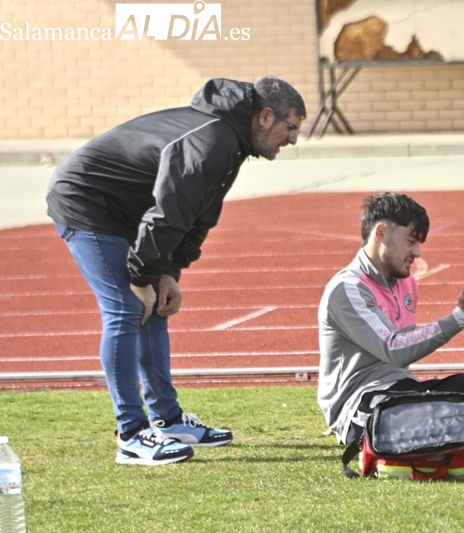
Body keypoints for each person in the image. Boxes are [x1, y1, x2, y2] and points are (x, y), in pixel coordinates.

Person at [46, 77, 306, 466]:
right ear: (266, 116)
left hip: (127, 212)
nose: (293, 140)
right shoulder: (213, 139)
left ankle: (168, 421)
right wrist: (139, 278)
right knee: (125, 308)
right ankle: (131, 435)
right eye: (291, 128)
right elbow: (169, 213)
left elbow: (199, 216)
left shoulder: (230, 141)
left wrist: (168, 273)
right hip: (87, 201)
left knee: (154, 308)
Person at [317, 192, 464, 446]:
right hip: (365, 405)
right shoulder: (348, 289)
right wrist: (460, 317)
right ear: (380, 232)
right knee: (455, 414)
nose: (417, 252)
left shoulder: (406, 283)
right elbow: (394, 350)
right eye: (411, 241)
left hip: (408, 393)